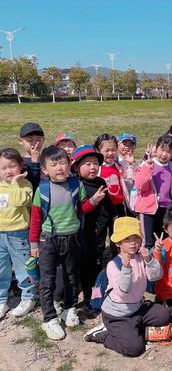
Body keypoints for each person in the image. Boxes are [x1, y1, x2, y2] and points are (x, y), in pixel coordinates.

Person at [29, 146, 106, 340]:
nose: (59, 168)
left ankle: (69, 308)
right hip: (49, 240)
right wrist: (34, 245)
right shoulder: (43, 189)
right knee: (47, 281)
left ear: (69, 164)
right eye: (53, 164)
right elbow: (36, 219)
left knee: (72, 276)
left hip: (72, 238)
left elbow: (82, 208)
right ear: (45, 169)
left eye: (62, 162)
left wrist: (94, 201)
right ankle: (49, 318)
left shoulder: (75, 185)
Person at [83, 217, 172, 357]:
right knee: (135, 349)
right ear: (118, 243)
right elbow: (124, 290)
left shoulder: (140, 258)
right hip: (117, 314)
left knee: (164, 315)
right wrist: (126, 268)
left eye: (136, 238)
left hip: (136, 307)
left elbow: (156, 276)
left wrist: (149, 260)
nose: (133, 243)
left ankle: (133, 330)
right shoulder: (114, 265)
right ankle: (103, 334)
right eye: (127, 239)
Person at [71, 145, 116, 315]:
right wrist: (94, 200)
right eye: (87, 164)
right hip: (84, 233)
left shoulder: (100, 182)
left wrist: (114, 217)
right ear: (76, 167)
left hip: (99, 232)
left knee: (97, 262)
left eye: (95, 163)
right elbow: (78, 209)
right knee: (85, 265)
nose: (93, 167)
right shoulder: (76, 185)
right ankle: (87, 298)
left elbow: (109, 204)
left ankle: (96, 294)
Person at [134, 135, 172, 248]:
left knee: (163, 239)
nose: (164, 154)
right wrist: (147, 168)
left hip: (165, 209)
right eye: (162, 149)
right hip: (148, 209)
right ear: (156, 148)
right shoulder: (147, 163)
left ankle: (162, 262)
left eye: (169, 151)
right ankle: (147, 262)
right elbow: (140, 185)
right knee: (147, 241)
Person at [0, 148, 35, 319]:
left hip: (19, 233)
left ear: (20, 166)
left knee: (22, 267)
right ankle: (1, 300)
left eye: (12, 166)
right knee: (2, 268)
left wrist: (14, 183)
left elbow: (19, 201)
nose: (8, 171)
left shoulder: (25, 185)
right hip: (0, 234)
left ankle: (28, 297)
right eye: (3, 167)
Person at [94, 134, 132, 218]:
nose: (110, 153)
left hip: (118, 204)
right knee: (104, 229)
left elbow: (130, 178)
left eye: (113, 150)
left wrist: (130, 163)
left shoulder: (119, 166)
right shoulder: (97, 168)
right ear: (98, 151)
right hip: (103, 205)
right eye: (107, 150)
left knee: (119, 228)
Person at [18, 122, 45, 192]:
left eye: (38, 139)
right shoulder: (19, 162)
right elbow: (31, 186)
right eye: (30, 140)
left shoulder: (48, 159)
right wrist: (35, 162)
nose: (35, 143)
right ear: (20, 141)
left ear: (43, 140)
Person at [116, 133, 140, 203]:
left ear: (134, 147)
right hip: (119, 193)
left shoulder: (134, 162)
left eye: (130, 145)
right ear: (118, 144)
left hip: (132, 194)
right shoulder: (116, 160)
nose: (127, 147)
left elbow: (138, 177)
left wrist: (132, 163)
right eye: (124, 144)